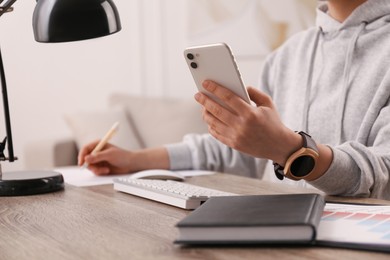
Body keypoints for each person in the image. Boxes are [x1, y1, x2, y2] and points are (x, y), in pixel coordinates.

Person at [78, 0, 390, 200]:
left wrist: (290, 150)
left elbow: (383, 172)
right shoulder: (286, 56)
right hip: (278, 230)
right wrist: (134, 160)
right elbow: (238, 153)